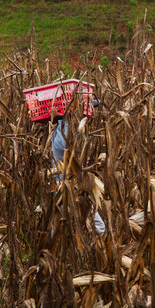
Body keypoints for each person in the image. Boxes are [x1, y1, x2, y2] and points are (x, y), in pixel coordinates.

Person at [51, 100, 105, 236]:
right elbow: (68, 144)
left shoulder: (65, 129)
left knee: (58, 227)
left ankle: (62, 253)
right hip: (68, 188)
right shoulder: (64, 132)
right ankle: (87, 255)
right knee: (99, 228)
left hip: (72, 187)